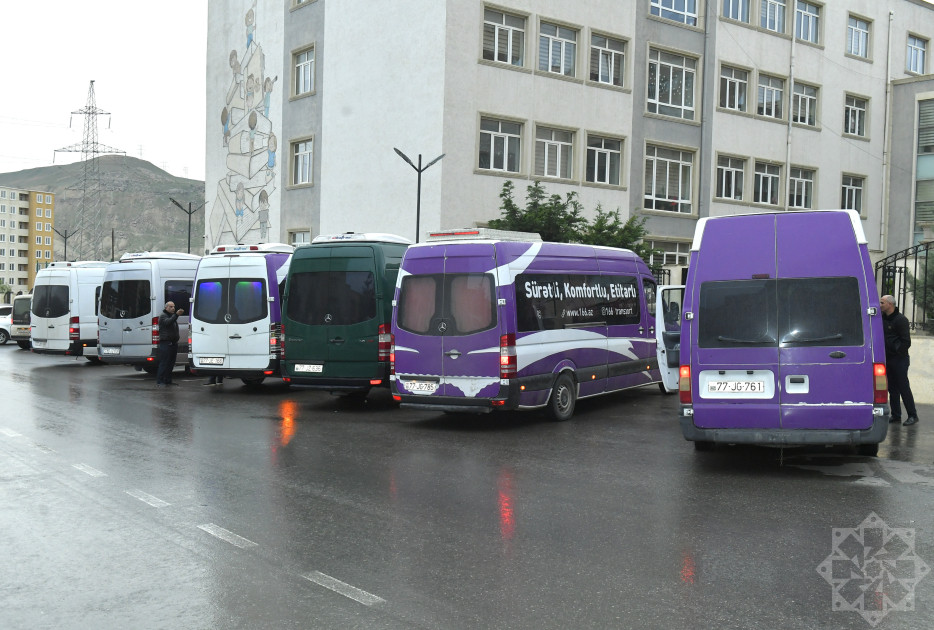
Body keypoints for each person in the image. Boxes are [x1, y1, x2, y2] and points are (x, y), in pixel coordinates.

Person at [880, 295, 918, 426]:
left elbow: (906, 342)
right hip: (887, 359)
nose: (880, 305)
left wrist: (896, 352)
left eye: (882, 302)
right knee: (892, 388)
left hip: (899, 360)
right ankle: (896, 415)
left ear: (890, 304)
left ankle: (913, 415)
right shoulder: (882, 319)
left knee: (903, 387)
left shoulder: (901, 320)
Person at [156, 301, 184, 387]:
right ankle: (160, 381)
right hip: (166, 343)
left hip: (173, 343)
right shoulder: (163, 316)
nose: (173, 308)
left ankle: (168, 380)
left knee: (171, 363)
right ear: (166, 308)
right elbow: (168, 322)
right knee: (164, 362)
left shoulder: (172, 316)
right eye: (171, 307)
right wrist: (176, 315)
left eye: (174, 307)